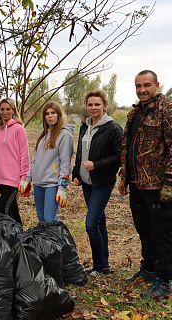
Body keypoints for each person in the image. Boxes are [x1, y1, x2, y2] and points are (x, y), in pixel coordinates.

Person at [118, 70, 172, 298]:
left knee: (163, 232)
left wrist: (170, 181)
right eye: (138, 86)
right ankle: (149, 269)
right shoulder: (134, 113)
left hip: (158, 186)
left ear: (157, 84)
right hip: (135, 183)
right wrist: (123, 177)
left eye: (146, 85)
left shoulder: (166, 109)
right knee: (144, 229)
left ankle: (164, 279)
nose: (142, 90)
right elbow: (126, 146)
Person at [71, 89, 123, 279]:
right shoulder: (85, 126)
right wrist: (76, 172)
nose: (93, 108)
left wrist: (96, 165)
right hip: (86, 182)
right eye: (90, 104)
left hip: (102, 182)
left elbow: (118, 157)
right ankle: (104, 264)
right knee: (100, 223)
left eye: (97, 105)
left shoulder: (113, 128)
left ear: (104, 106)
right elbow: (80, 151)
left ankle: (98, 268)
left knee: (91, 225)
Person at [20, 101, 75, 222]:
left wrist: (62, 187)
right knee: (41, 219)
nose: (50, 116)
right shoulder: (43, 135)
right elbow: (35, 160)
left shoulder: (65, 136)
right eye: (47, 114)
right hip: (38, 184)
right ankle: (44, 241)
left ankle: (55, 241)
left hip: (52, 185)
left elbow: (66, 164)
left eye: (53, 113)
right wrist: (27, 179)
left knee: (49, 220)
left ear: (59, 115)